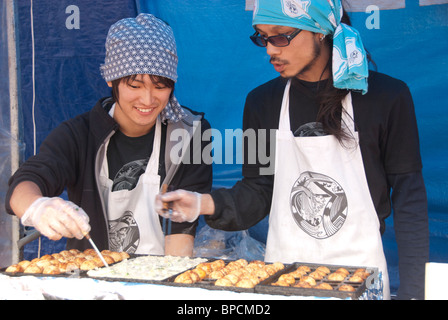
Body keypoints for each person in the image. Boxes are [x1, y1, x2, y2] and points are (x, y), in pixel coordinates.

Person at [156, 0, 429, 299]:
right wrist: (201, 204)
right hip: (282, 279)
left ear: (319, 31)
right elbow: (258, 190)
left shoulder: (385, 98)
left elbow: (409, 201)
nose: (271, 50)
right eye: (262, 37)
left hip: (361, 279)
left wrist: (415, 291)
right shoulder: (263, 102)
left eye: (280, 36)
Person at [6, 13, 212, 257]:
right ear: (111, 80)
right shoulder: (78, 135)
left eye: (160, 86)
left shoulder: (190, 134)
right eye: (134, 86)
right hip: (91, 279)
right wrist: (38, 207)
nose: (147, 100)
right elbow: (24, 184)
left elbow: (182, 231)